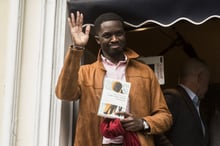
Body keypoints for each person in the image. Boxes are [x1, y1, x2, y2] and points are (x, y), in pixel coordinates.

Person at [55, 11, 172, 146]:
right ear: (98, 40)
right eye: (107, 35)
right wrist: (77, 48)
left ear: (124, 34)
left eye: (119, 33)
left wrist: (142, 123)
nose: (114, 39)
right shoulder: (85, 72)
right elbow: (64, 93)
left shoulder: (145, 72)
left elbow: (165, 117)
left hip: (133, 142)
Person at [155, 58, 210, 146]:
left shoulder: (196, 104)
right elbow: (156, 130)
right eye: (208, 81)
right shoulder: (173, 98)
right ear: (201, 78)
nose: (207, 87)